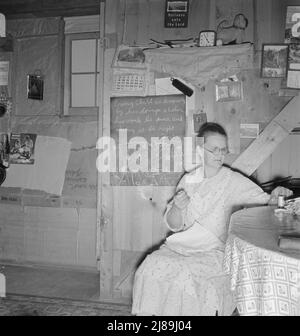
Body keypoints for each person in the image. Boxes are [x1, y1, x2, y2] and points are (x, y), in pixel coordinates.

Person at [131, 122, 292, 316]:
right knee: (150, 265)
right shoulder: (188, 180)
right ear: (200, 150)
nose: (219, 155)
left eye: (223, 150)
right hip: (181, 247)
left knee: (184, 276)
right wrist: (177, 207)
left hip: (215, 252)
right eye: (214, 149)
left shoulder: (233, 181)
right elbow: (174, 225)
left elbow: (266, 202)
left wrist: (276, 195)